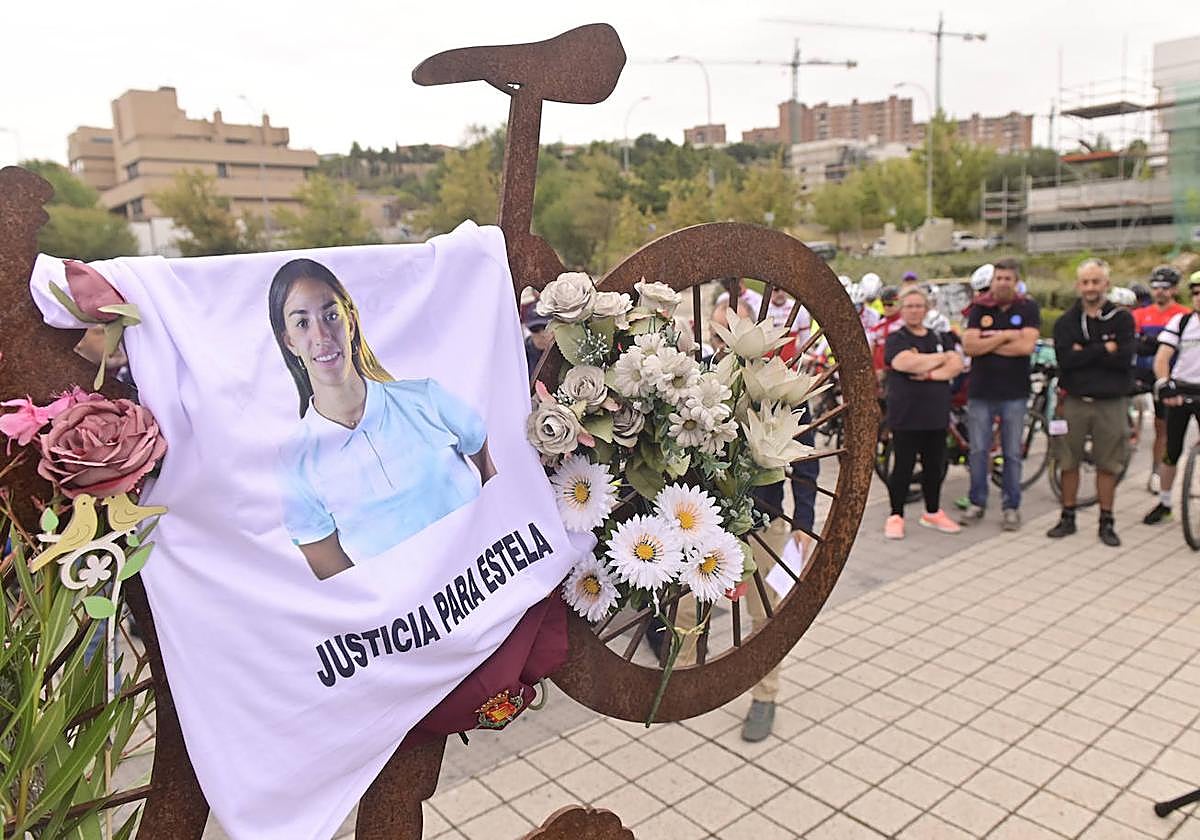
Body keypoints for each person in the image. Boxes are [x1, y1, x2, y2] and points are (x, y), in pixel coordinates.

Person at [269, 258, 498, 580]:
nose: (322, 335)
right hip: (421, 622)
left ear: (350, 321)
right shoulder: (295, 461)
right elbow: (338, 581)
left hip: (495, 584)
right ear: (289, 341)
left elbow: (497, 472)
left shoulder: (425, 399)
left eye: (330, 315)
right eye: (302, 323)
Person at [1046, 258, 1135, 546]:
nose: (1090, 287)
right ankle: (1067, 516)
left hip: (1111, 402)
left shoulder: (1122, 319)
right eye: (1085, 282)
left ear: (1106, 284)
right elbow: (1066, 361)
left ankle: (1106, 521)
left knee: (1107, 464)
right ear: (1078, 285)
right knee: (1067, 460)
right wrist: (1103, 349)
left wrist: (1084, 350)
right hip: (1074, 401)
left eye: (1096, 281)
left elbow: (1123, 360)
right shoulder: (1066, 322)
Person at [960, 258, 1040, 530]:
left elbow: (1026, 346)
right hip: (981, 392)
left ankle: (1011, 506)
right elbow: (969, 346)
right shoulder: (979, 308)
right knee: (978, 451)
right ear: (992, 281)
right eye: (998, 278)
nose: (1002, 282)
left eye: (1008, 278)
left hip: (1014, 394)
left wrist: (988, 342)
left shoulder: (1027, 307)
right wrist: (1006, 336)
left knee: (1012, 454)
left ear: (1015, 281)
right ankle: (977, 502)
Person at [883, 286, 964, 539]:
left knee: (934, 466)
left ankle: (933, 511)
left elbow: (957, 365)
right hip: (906, 414)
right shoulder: (897, 338)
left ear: (927, 309)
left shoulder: (939, 336)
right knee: (903, 466)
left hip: (935, 414)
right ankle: (896, 515)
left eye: (919, 306)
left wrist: (928, 371)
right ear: (902, 309)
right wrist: (939, 359)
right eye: (909, 306)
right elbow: (903, 362)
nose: (915, 310)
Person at [1143, 270, 1200, 525]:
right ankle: (1165, 503)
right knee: (1171, 450)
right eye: (1196, 293)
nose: (1199, 298)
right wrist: (1165, 384)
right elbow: (1162, 358)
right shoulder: (1182, 322)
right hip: (1181, 390)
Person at [1132, 265, 1188, 500]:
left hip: (1170, 377)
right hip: (1141, 375)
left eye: (1165, 288)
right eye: (1155, 287)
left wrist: (1151, 342)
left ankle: (1156, 471)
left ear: (1174, 290)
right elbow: (1134, 343)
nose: (1160, 292)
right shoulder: (1140, 314)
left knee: (1161, 428)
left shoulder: (1183, 315)